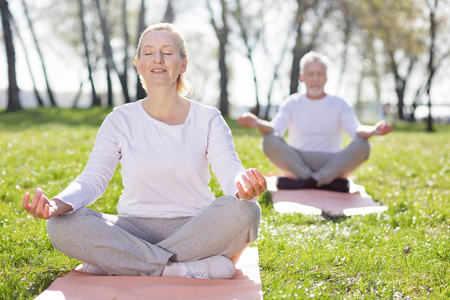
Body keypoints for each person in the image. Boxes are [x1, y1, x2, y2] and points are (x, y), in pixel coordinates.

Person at [22, 23, 266, 279]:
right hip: (132, 228)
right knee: (61, 224)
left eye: (167, 52)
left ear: (182, 64)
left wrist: (242, 186)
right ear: (139, 65)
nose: (158, 59)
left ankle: (120, 262)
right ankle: (179, 270)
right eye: (149, 52)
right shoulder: (119, 119)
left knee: (246, 210)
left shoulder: (208, 118)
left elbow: (229, 170)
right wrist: (58, 203)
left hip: (194, 227)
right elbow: (93, 179)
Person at [237, 51, 393, 192]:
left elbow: (356, 130)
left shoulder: (340, 103)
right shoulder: (292, 103)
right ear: (302, 77)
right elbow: (274, 128)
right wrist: (257, 122)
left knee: (363, 145)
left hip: (331, 163)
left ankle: (308, 182)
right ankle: (324, 183)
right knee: (269, 140)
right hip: (298, 162)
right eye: (310, 74)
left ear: (326, 77)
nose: (315, 79)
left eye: (320, 74)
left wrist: (373, 130)